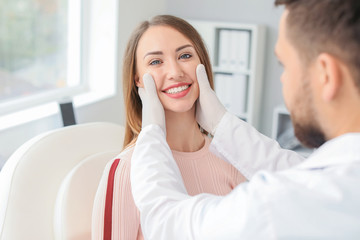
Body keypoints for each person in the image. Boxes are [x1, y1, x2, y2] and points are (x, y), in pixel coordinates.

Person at [130, 0, 360, 239]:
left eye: (285, 65)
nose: (283, 81)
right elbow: (293, 168)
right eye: (156, 61)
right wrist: (223, 125)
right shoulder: (339, 181)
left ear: (326, 75)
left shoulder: (278, 206)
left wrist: (152, 133)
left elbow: (166, 221)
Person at [91, 15, 301, 240]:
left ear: (202, 64)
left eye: (185, 55)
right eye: (155, 62)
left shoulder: (234, 156)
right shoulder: (125, 170)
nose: (175, 72)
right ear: (138, 80)